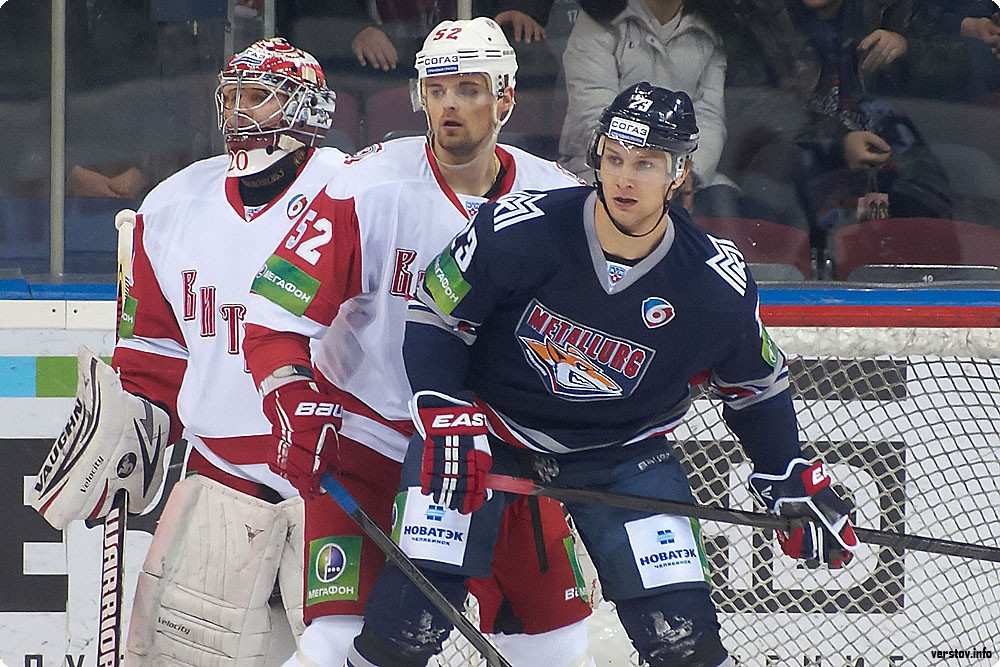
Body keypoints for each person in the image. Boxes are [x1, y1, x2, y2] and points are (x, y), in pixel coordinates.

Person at [346, 82, 859, 667]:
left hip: (624, 453)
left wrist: (786, 470)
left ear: (679, 171)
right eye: (614, 158)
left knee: (684, 639)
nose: (624, 179)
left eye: (645, 164)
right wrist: (443, 408)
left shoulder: (714, 281)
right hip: (485, 432)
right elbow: (436, 316)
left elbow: (755, 387)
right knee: (408, 620)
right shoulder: (517, 228)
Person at [242, 17, 595, 667]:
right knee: (338, 645)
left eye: (469, 89)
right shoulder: (364, 186)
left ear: (506, 98)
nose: (450, 104)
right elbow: (271, 320)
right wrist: (291, 400)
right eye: (437, 89)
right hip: (371, 441)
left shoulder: (563, 202)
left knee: (556, 645)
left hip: (499, 449)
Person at [31, 37, 344, 665]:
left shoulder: (354, 192)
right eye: (232, 96)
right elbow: (153, 356)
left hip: (335, 479)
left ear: (306, 108)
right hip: (220, 479)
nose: (240, 112)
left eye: (259, 97)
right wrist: (126, 433)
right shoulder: (173, 205)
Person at [557, 0, 739, 217]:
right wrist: (653, 168)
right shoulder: (597, 22)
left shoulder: (711, 28)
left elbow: (709, 115)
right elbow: (593, 112)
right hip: (600, 168)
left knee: (726, 205)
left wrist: (689, 170)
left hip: (683, 176)